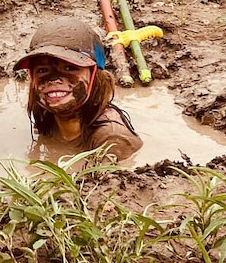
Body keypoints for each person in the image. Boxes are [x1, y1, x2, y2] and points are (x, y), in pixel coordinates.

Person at [14, 16, 143, 161]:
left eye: (70, 68)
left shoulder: (112, 138)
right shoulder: (46, 115)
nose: (54, 79)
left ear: (95, 76)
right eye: (43, 71)